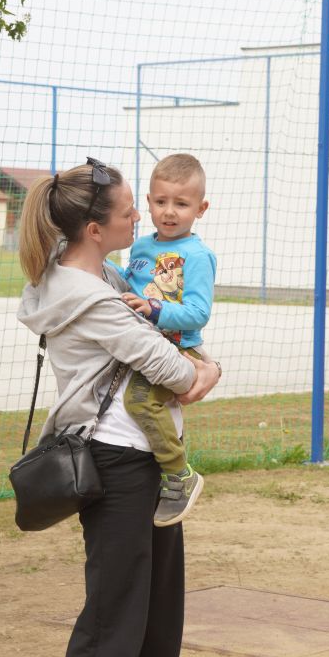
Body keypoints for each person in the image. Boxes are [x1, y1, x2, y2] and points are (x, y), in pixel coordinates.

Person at [17, 157, 221, 657]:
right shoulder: (95, 299)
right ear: (95, 229)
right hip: (122, 468)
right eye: (131, 208)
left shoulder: (87, 272)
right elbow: (179, 375)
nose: (144, 215)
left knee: (157, 625)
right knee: (113, 628)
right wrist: (211, 368)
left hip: (144, 468)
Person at [120, 153, 217, 527]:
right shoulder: (143, 247)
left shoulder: (196, 255)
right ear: (148, 202)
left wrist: (154, 309)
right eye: (161, 202)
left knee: (140, 401)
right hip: (147, 343)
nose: (170, 212)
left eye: (181, 203)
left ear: (201, 208)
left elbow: (197, 313)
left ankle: (179, 474)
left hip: (179, 348)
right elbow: (130, 284)